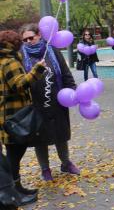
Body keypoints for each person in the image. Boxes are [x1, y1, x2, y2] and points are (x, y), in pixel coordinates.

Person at [19, 24, 80, 182]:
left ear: (39, 35)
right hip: (36, 104)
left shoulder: (52, 51)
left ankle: (65, 163)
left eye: (31, 37)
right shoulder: (22, 55)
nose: (28, 41)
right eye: (24, 39)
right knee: (40, 139)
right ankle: (45, 169)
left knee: (61, 134)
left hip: (57, 100)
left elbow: (65, 72)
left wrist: (72, 90)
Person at [0, 30, 46, 206]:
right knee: (14, 155)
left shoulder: (2, 60)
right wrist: (37, 69)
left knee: (14, 154)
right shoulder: (9, 61)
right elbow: (19, 84)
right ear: (13, 43)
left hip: (7, 115)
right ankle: (14, 195)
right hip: (14, 116)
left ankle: (18, 189)